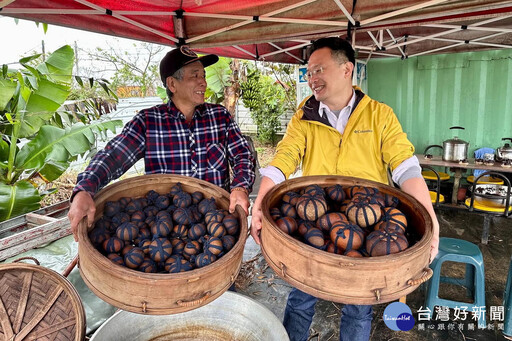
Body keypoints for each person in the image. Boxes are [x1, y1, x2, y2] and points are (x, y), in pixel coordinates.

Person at [250, 37, 440, 341]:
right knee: (301, 297)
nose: (312, 78)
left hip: (370, 222)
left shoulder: (380, 115)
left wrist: (430, 219)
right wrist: (260, 202)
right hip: (316, 218)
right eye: (309, 72)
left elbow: (405, 166)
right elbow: (284, 157)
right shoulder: (304, 116)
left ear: (346, 69)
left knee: (358, 306)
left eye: (319, 69)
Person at [68, 46, 256, 239]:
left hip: (216, 224)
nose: (203, 82)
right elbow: (113, 157)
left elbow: (242, 154)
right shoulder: (148, 122)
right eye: (195, 76)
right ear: (172, 84)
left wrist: (240, 187)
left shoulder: (220, 117)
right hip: (166, 232)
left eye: (203, 75)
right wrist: (84, 189)